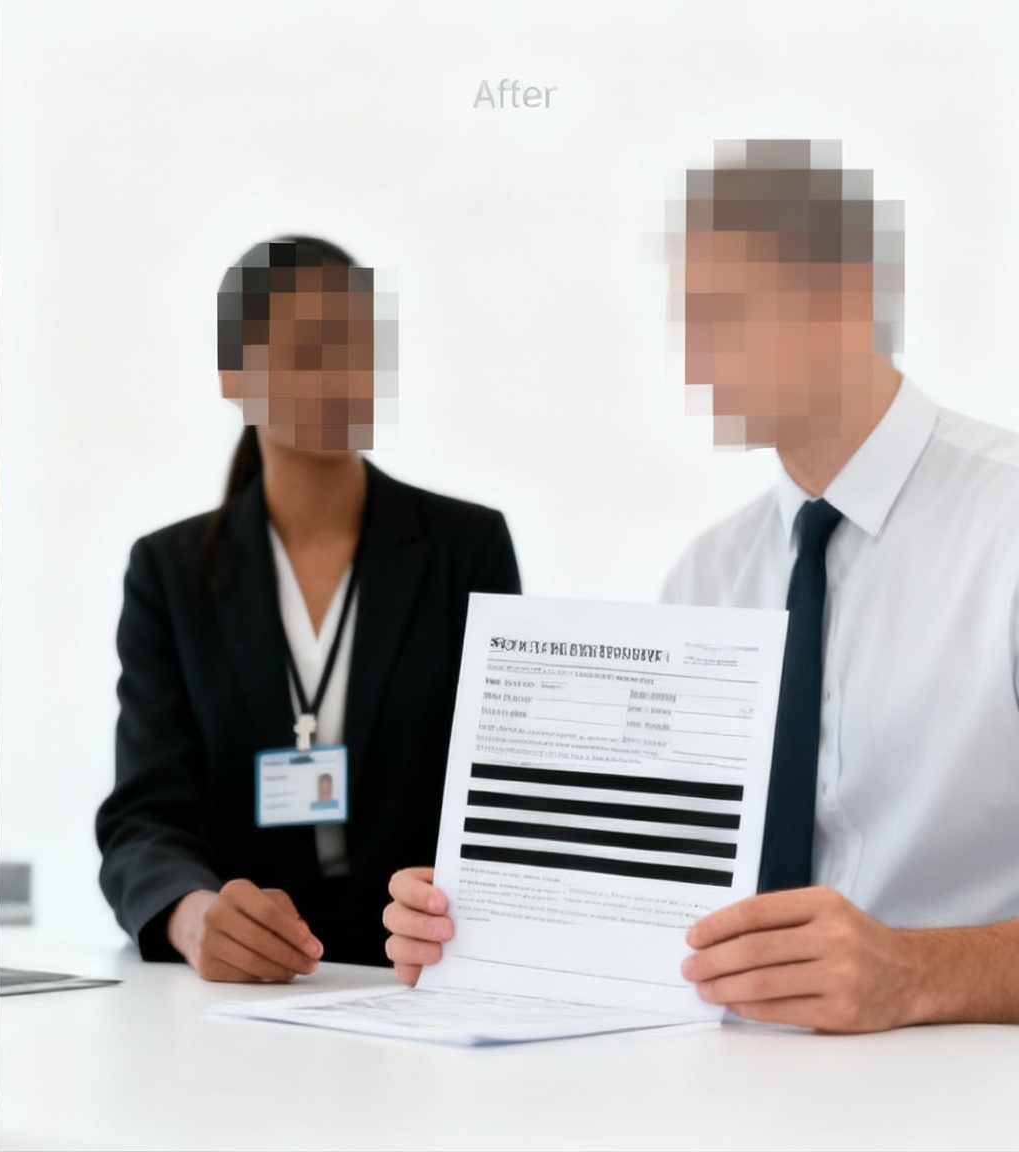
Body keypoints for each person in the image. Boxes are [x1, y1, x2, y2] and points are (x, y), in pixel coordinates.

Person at [384, 139, 1019, 1033]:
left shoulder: (1008, 529)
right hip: (731, 1090)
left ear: (843, 296)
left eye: (724, 314)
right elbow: (657, 894)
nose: (694, 361)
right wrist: (473, 929)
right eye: (687, 320)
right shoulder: (709, 575)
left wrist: (917, 971)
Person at [97, 236, 521, 982]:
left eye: (359, 347)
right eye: (306, 352)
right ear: (234, 378)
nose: (341, 377)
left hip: (423, 969)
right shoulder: (170, 571)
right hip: (246, 987)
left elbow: (501, 783)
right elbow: (145, 817)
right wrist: (195, 918)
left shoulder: (467, 548)